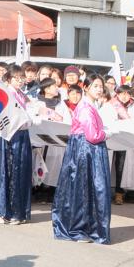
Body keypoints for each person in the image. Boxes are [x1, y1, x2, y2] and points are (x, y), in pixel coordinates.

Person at [52, 75, 112, 245]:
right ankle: (81, 229)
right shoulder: (86, 107)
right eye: (95, 86)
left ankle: (87, 228)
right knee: (85, 188)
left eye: (101, 86)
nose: (99, 89)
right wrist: (108, 133)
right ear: (86, 87)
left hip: (85, 149)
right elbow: (93, 136)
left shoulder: (90, 105)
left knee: (86, 188)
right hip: (86, 150)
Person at [0, 67, 33, 225]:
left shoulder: (23, 95)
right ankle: (3, 211)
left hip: (21, 135)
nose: (19, 81)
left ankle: (18, 211)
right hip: (7, 136)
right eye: (16, 78)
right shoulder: (5, 93)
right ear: (8, 79)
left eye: (21, 78)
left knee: (20, 172)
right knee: (6, 172)